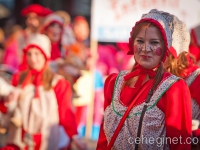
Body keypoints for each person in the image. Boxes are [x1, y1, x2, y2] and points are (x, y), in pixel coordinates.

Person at [97, 9, 192, 150]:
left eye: (154, 42)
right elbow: (103, 139)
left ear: (166, 46)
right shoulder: (114, 82)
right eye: (140, 41)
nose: (145, 48)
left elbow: (180, 143)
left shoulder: (173, 87)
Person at [5, 34, 86, 150]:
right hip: (20, 140)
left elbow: (65, 113)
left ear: (45, 55)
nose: (33, 59)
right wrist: (8, 100)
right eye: (29, 54)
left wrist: (75, 137)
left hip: (48, 141)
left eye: (37, 54)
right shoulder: (19, 79)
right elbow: (6, 108)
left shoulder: (58, 83)